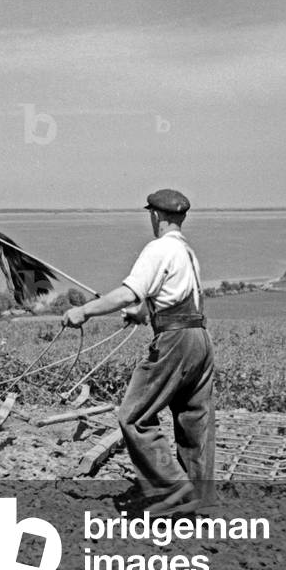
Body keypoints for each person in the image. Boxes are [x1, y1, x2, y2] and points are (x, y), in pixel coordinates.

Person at [62, 189, 215, 516]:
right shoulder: (187, 252)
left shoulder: (158, 249)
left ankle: (176, 494)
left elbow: (127, 293)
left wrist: (85, 311)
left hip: (175, 342)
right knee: (194, 422)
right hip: (200, 338)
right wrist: (142, 313)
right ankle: (199, 500)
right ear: (181, 218)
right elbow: (174, 298)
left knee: (134, 417)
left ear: (156, 216)